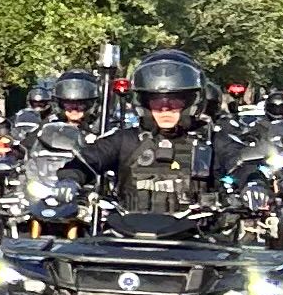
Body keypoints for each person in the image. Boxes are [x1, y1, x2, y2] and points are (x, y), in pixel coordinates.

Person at [93, 48, 232, 223]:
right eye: (157, 101)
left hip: (195, 239)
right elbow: (91, 156)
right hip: (126, 238)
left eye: (175, 101)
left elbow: (240, 160)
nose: (165, 108)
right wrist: (71, 179)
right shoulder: (125, 140)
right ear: (144, 103)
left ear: (191, 102)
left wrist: (253, 184)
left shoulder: (212, 140)